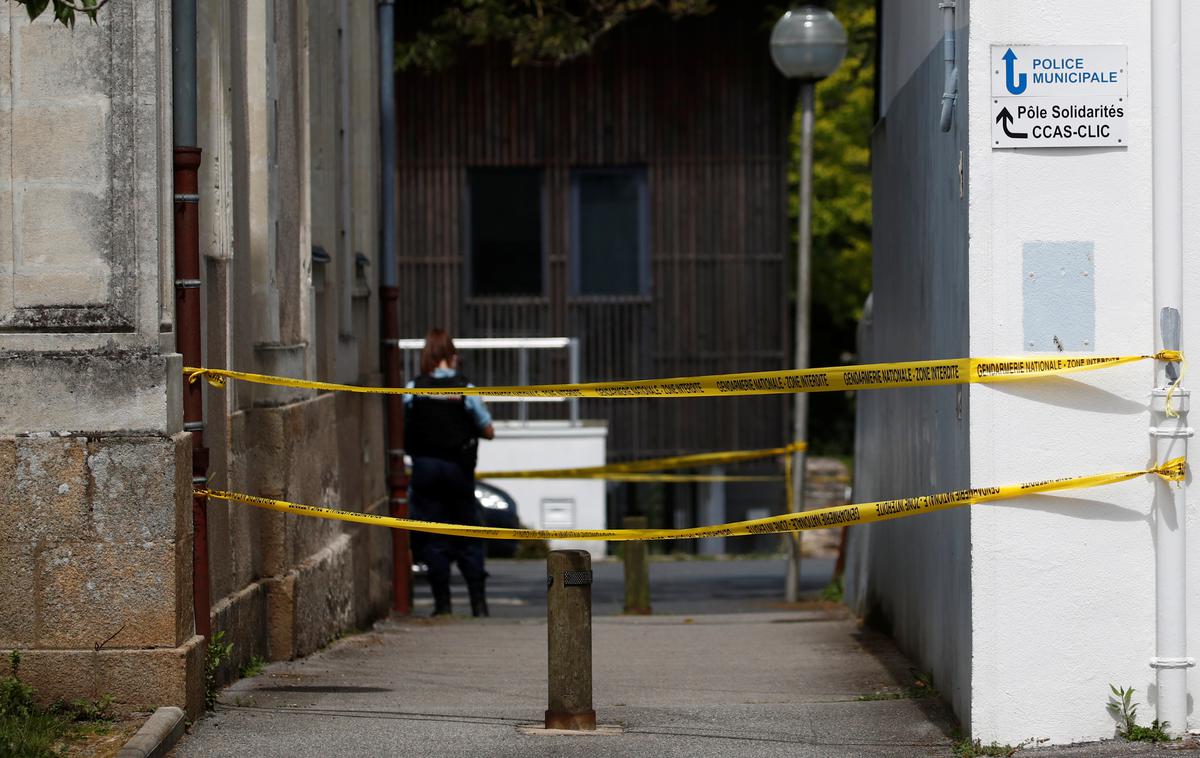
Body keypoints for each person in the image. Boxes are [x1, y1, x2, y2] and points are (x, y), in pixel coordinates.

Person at [404, 328, 495, 617]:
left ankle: (442, 605)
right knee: (467, 533)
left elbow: (402, 428)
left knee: (434, 537)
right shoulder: (465, 389)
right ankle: (478, 604)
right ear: (450, 355)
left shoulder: (413, 389)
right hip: (458, 471)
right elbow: (488, 429)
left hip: (425, 470)